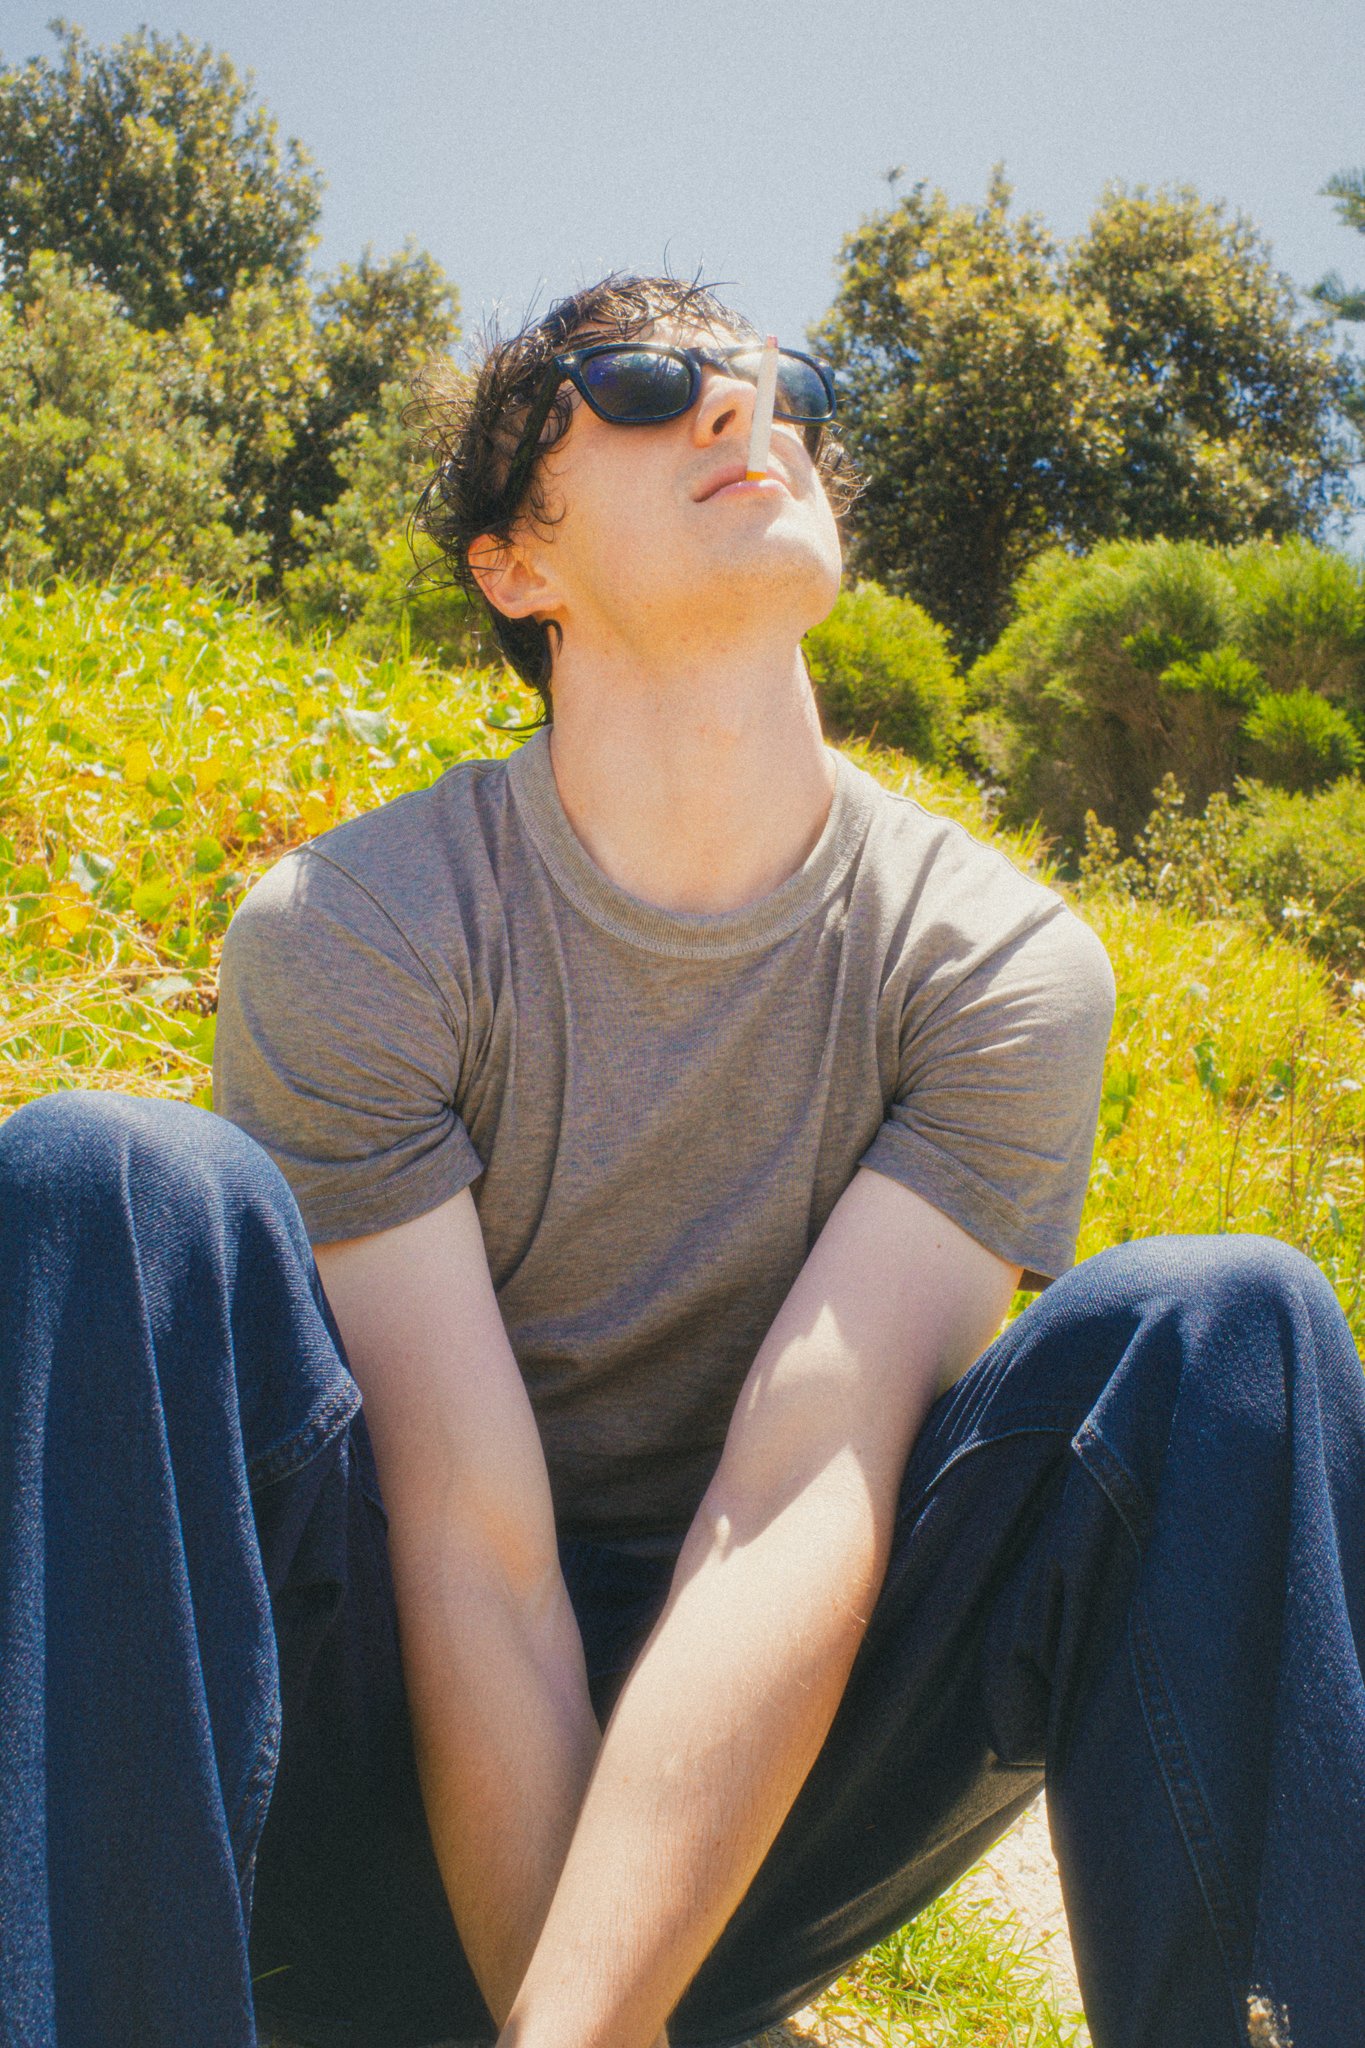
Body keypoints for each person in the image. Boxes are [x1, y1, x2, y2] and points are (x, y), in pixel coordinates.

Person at [0, 274, 1361, 2048]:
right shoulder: (357, 927)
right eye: (640, 385)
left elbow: (798, 1496)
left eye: (780, 383)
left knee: (1227, 1325)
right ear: (515, 565)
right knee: (105, 1184)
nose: (741, 406)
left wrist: (593, 2015)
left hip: (747, 1811)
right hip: (348, 1772)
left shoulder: (998, 965)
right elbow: (472, 1539)